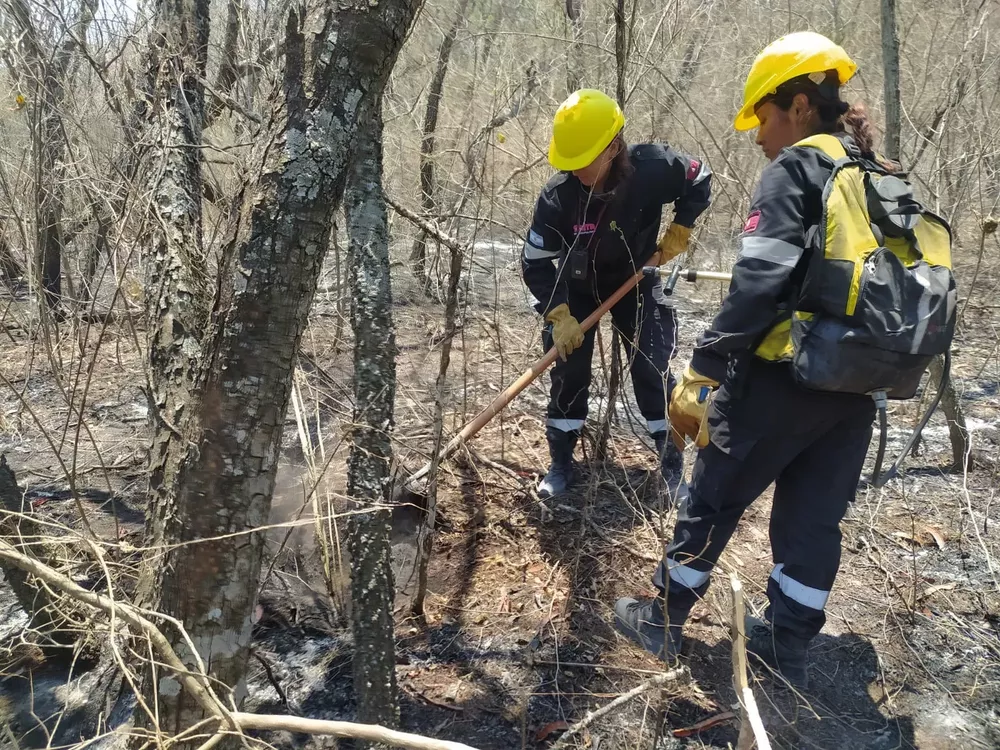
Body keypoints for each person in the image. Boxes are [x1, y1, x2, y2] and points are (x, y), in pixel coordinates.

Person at [613, 31, 952, 689]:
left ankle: (664, 617)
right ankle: (788, 649)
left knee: (711, 497)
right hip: (856, 389)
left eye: (763, 117)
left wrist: (706, 367)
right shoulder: (878, 178)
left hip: (782, 376)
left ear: (798, 105)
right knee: (813, 521)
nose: (758, 134)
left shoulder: (797, 169)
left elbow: (761, 280)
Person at [520, 89, 712, 501]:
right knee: (568, 371)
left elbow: (699, 177)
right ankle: (560, 463)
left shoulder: (652, 169)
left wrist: (681, 228)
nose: (577, 170)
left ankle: (672, 465)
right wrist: (557, 313)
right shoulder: (558, 198)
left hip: (636, 278)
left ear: (613, 146)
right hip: (575, 292)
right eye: (568, 162)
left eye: (585, 159)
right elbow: (535, 262)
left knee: (650, 367)